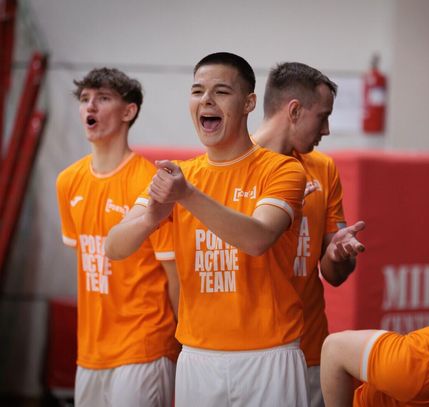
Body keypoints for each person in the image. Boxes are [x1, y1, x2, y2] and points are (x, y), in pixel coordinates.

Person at [105, 52, 309, 406]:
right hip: (197, 356)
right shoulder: (181, 175)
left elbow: (258, 238)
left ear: (248, 103)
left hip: (269, 354)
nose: (207, 100)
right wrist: (152, 217)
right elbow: (114, 246)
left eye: (221, 92)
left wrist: (187, 196)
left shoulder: (282, 170)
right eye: (197, 91)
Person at [55, 68, 180, 407]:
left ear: (128, 111)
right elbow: (88, 267)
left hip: (145, 345)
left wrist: (183, 339)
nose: (90, 106)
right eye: (84, 99)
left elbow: (175, 275)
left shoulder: (150, 183)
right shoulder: (67, 182)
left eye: (103, 98)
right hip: (91, 351)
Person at [253, 61, 365, 407]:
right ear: (295, 111)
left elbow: (334, 274)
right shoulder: (235, 166)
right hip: (247, 351)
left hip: (308, 350)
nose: (327, 130)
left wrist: (337, 254)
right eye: (323, 117)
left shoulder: (323, 169)